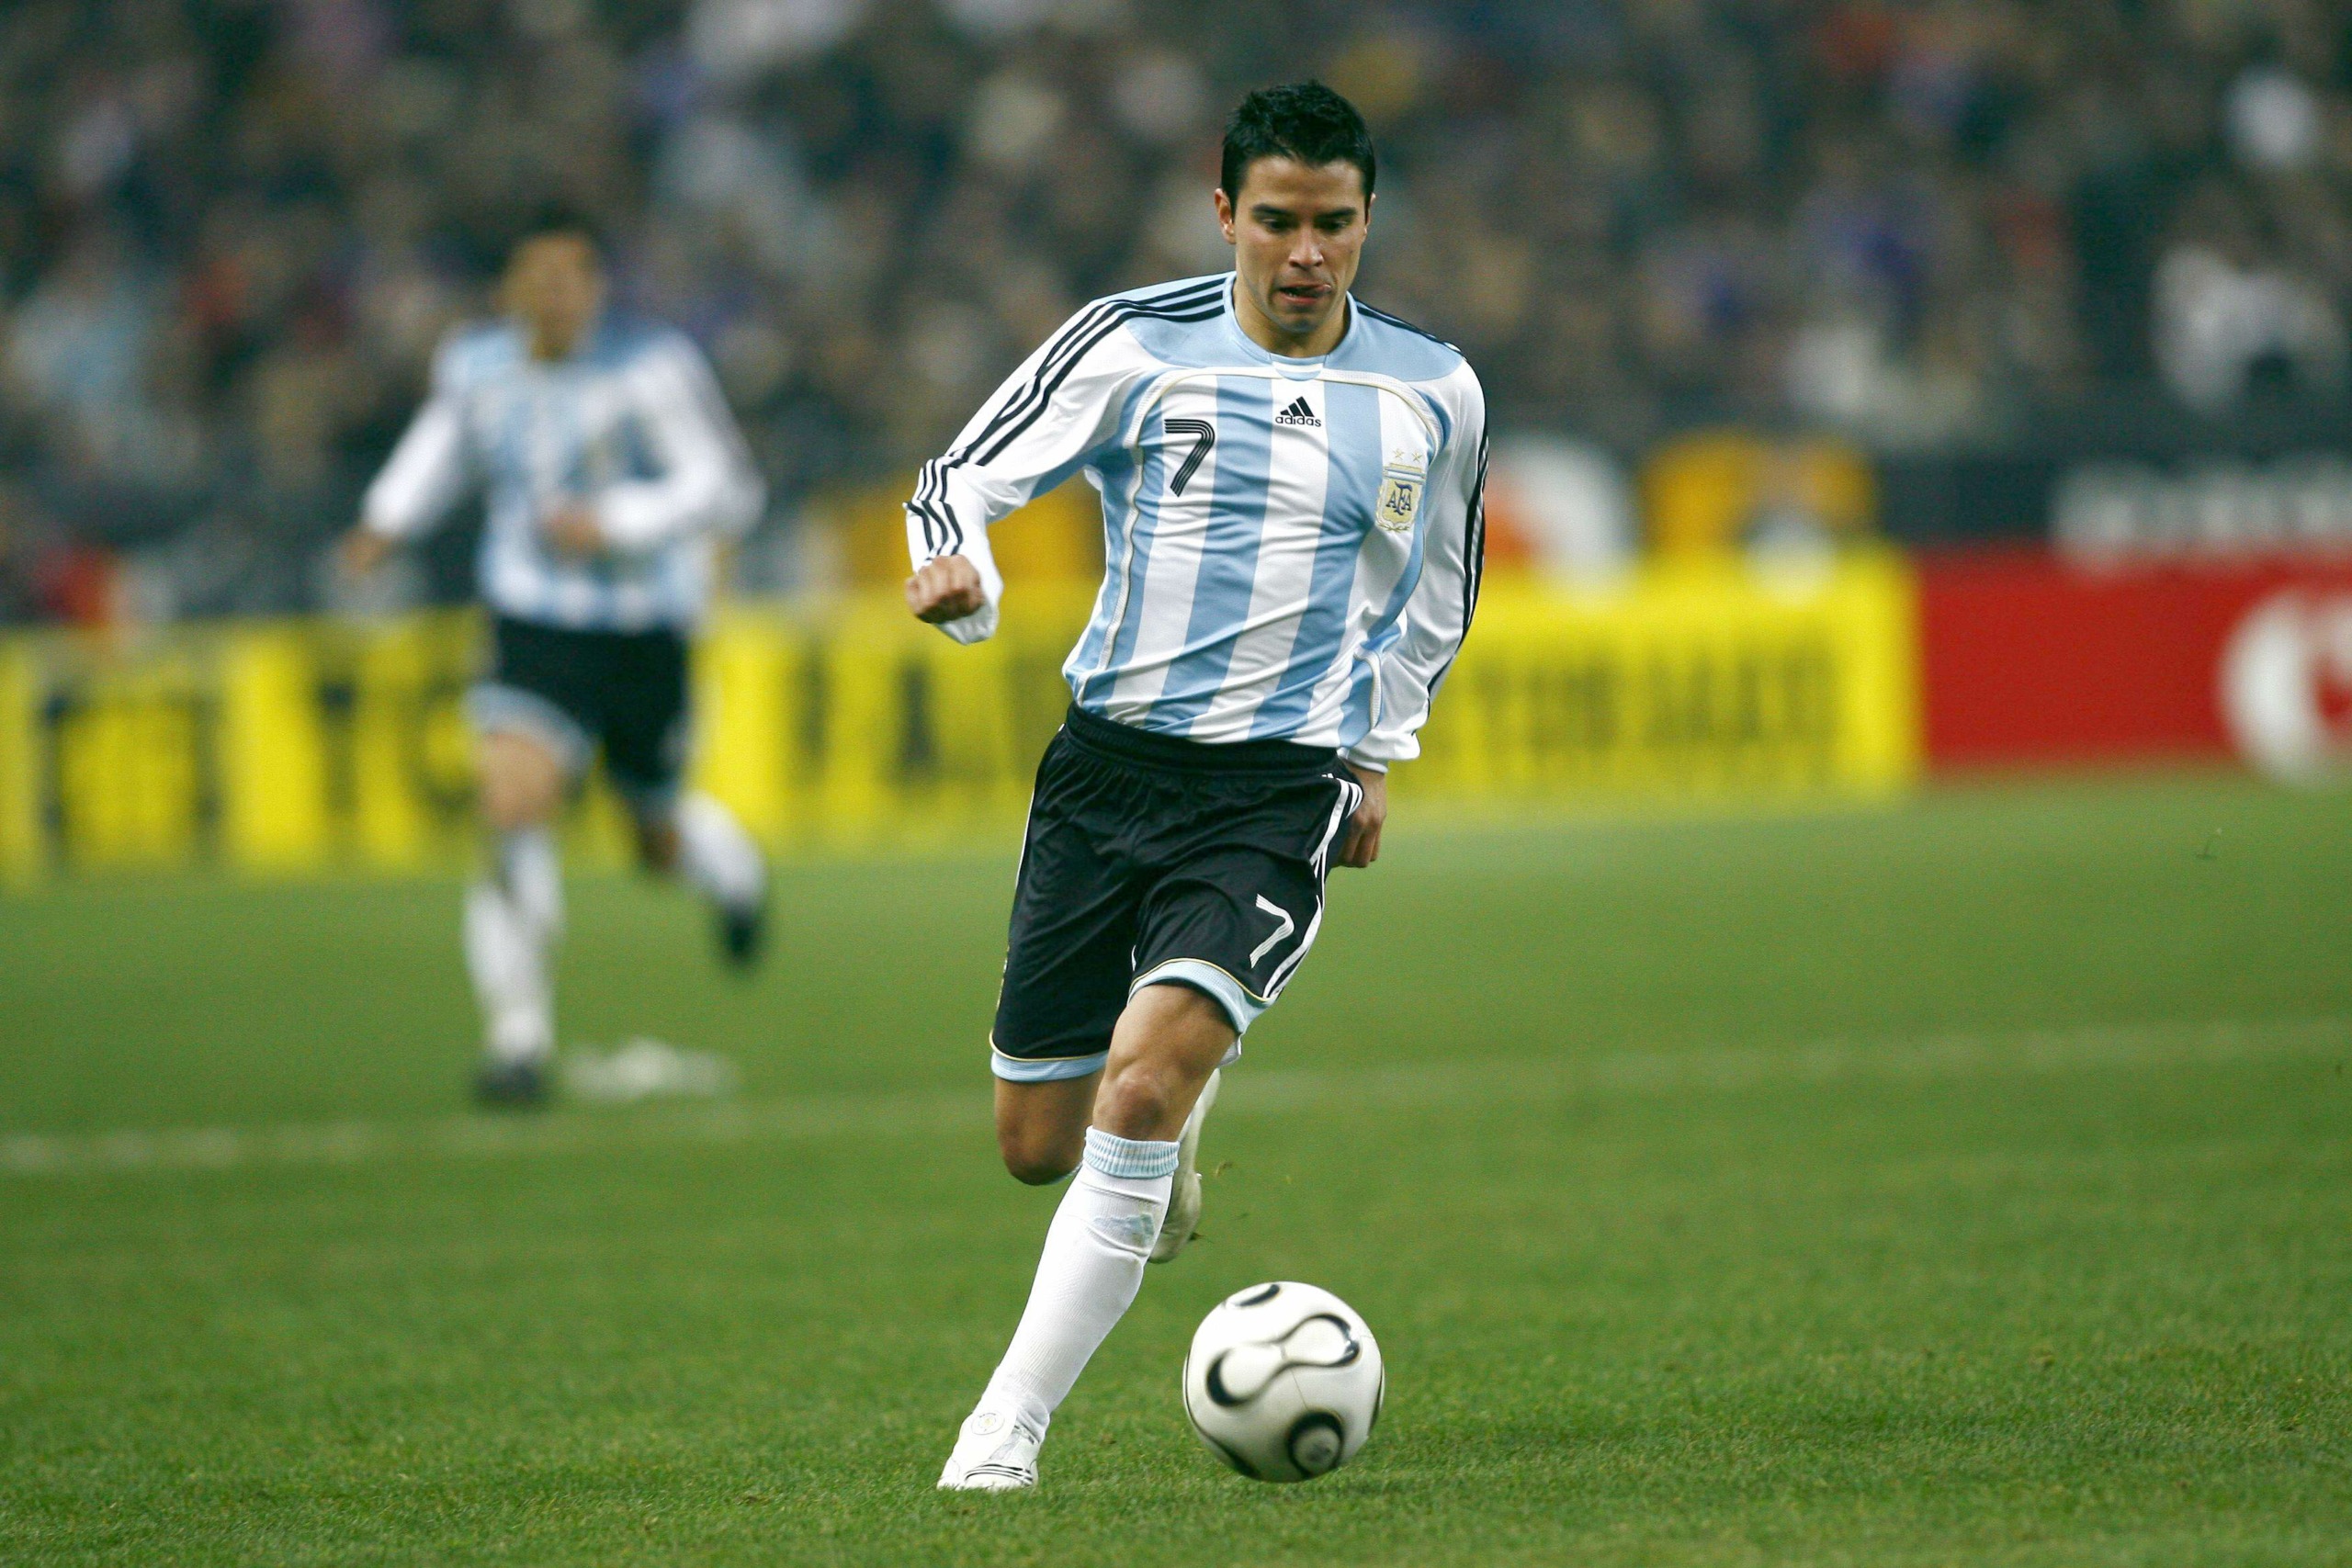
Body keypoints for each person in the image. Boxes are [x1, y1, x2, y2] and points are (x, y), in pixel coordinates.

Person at [908, 82, 1487, 1489]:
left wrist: (1374, 750)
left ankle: (1002, 1431)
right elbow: (961, 475)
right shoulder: (1131, 344)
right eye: (1278, 220)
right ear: (1225, 212)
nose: (1307, 253)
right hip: (1106, 773)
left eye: (1334, 224)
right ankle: (1160, 1141)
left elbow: (1437, 592)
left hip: (1274, 793)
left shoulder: (1434, 391)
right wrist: (961, 577)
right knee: (1035, 1143)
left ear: (1368, 220)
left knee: (1143, 1082)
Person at [342, 207, 771, 1108]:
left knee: (653, 836)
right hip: (532, 621)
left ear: (598, 285)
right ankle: (518, 1039)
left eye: (571, 276)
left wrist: (616, 521)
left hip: (646, 626)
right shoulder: (475, 366)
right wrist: (384, 520)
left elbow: (727, 486)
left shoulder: (651, 367)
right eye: (536, 276)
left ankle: (734, 875)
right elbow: (441, 448)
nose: (554, 294)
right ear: (507, 288)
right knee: (511, 801)